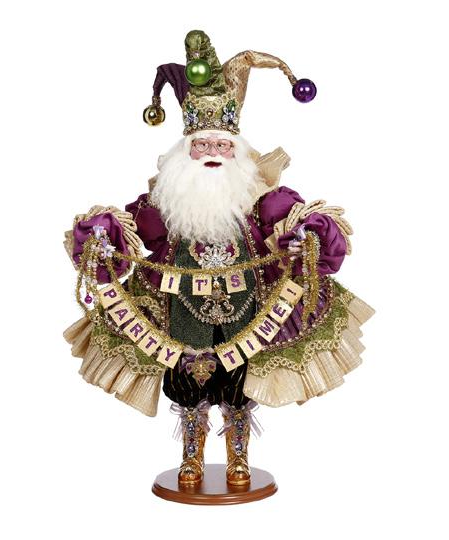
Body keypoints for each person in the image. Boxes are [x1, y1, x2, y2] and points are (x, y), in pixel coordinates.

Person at [63, 30, 374, 487]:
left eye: (222, 146)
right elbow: (125, 239)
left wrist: (304, 237)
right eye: (202, 146)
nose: (212, 153)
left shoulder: (262, 202)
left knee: (239, 388)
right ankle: (191, 456)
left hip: (248, 315)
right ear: (183, 154)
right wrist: (102, 238)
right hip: (177, 315)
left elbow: (304, 228)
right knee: (187, 387)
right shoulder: (161, 208)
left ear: (238, 154)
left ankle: (238, 457)